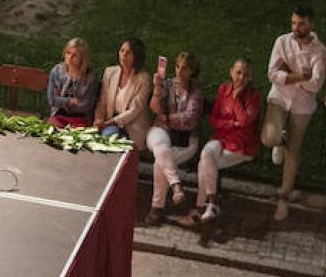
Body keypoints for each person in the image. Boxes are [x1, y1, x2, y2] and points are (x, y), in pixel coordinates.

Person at [264, 6, 326, 221]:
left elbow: (316, 85)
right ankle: (279, 141)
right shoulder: (282, 41)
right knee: (269, 137)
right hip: (279, 98)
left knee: (294, 150)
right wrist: (301, 75)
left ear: (311, 24)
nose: (296, 28)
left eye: (301, 24)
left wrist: (289, 74)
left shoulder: (320, 51)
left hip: (302, 105)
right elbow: (272, 74)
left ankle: (283, 195)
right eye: (293, 23)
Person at [183, 58, 259, 228]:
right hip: (221, 137)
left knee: (205, 164)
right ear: (231, 72)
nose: (241, 77)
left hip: (241, 145)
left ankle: (201, 207)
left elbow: (245, 120)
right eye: (238, 73)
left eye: (246, 75)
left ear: (250, 78)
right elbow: (214, 120)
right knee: (206, 154)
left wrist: (237, 100)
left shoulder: (254, 97)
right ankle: (212, 204)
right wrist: (232, 124)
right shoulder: (223, 89)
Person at [145, 51, 206, 225]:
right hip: (161, 133)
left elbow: (190, 120)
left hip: (185, 140)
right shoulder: (168, 84)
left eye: (184, 68)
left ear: (192, 71)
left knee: (160, 161)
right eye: (178, 66)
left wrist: (168, 118)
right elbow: (155, 109)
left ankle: (156, 208)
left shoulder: (196, 92)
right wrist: (157, 90)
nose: (179, 71)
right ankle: (176, 185)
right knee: (161, 146)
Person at [95, 37, 154, 144]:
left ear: (137, 57)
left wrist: (109, 123)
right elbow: (102, 102)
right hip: (111, 124)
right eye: (122, 51)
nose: (124, 55)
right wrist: (98, 120)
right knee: (109, 136)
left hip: (132, 126)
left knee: (114, 139)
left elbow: (134, 110)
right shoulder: (110, 72)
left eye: (129, 52)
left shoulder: (144, 79)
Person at [47, 37, 100, 128]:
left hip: (81, 118)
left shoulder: (90, 76)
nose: (69, 58)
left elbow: (87, 105)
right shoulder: (57, 71)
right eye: (68, 53)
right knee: (54, 130)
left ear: (82, 58)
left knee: (77, 135)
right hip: (58, 115)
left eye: (74, 55)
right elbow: (52, 99)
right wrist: (70, 101)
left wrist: (62, 101)